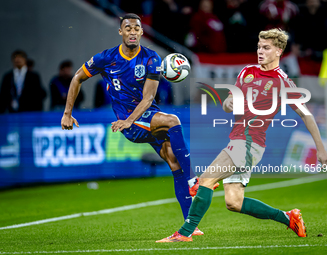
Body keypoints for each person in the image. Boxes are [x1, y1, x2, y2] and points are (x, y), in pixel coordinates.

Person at [156, 28, 327, 242]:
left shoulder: (282, 81)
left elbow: (307, 115)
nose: (260, 51)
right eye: (259, 46)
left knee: (206, 180)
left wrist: (321, 148)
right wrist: (229, 102)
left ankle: (184, 233)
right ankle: (288, 218)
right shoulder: (247, 71)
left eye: (266, 48)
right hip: (238, 139)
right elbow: (230, 104)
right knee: (234, 202)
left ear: (278, 51)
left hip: (249, 143)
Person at [60, 13, 218, 235]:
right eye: (128, 28)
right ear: (121, 32)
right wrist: (68, 113)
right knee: (173, 120)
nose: (132, 32)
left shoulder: (152, 59)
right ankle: (195, 181)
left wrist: (128, 119)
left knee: (175, 163)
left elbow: (148, 99)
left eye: (136, 28)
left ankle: (191, 226)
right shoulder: (106, 58)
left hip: (139, 118)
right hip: (132, 125)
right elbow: (77, 77)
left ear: (142, 32)